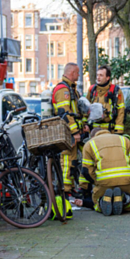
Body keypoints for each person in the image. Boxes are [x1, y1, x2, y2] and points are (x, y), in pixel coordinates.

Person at [79, 125, 130, 216]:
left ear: (92, 136)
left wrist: (96, 182)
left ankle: (102, 201)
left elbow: (86, 170)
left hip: (104, 181)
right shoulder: (123, 139)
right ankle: (124, 200)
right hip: (126, 179)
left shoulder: (89, 144)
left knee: (96, 203)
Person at [51, 63, 85, 203]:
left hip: (70, 131)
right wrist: (75, 131)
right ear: (71, 73)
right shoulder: (63, 90)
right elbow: (65, 113)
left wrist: (82, 127)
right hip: (66, 132)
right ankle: (64, 190)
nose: (78, 75)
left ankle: (70, 188)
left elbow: (75, 113)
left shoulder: (71, 89)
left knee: (73, 161)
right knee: (67, 160)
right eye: (77, 73)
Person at [87, 65, 125, 135]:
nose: (98, 77)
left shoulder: (115, 91)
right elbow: (86, 108)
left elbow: (120, 111)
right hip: (94, 130)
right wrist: (85, 125)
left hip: (110, 130)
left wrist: (118, 131)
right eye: (97, 75)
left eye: (101, 75)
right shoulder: (92, 90)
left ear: (107, 78)